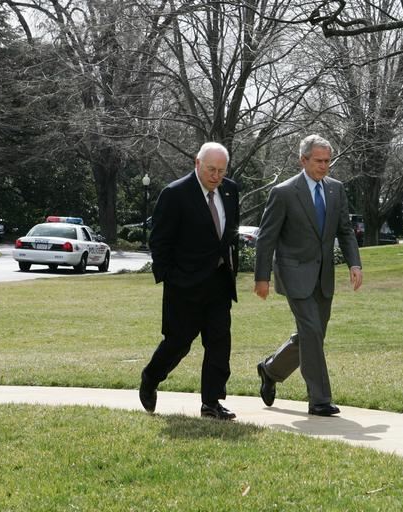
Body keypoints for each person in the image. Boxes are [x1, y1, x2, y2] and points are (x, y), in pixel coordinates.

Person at [253, 134, 363, 416]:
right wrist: (261, 277)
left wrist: (354, 264)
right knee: (312, 332)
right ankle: (320, 399)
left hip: (324, 276)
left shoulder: (336, 190)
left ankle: (270, 370)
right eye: (318, 161)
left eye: (327, 161)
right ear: (303, 160)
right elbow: (266, 237)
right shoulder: (284, 192)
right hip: (293, 274)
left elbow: (345, 231)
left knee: (312, 335)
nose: (324, 166)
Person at [139, 142, 240, 420]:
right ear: (197, 163)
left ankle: (212, 402)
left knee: (219, 342)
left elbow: (230, 234)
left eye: (221, 171)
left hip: (219, 282)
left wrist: (233, 268)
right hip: (184, 286)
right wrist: (170, 277)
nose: (216, 176)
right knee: (178, 342)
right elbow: (159, 241)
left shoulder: (230, 190)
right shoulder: (175, 193)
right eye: (211, 169)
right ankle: (151, 377)